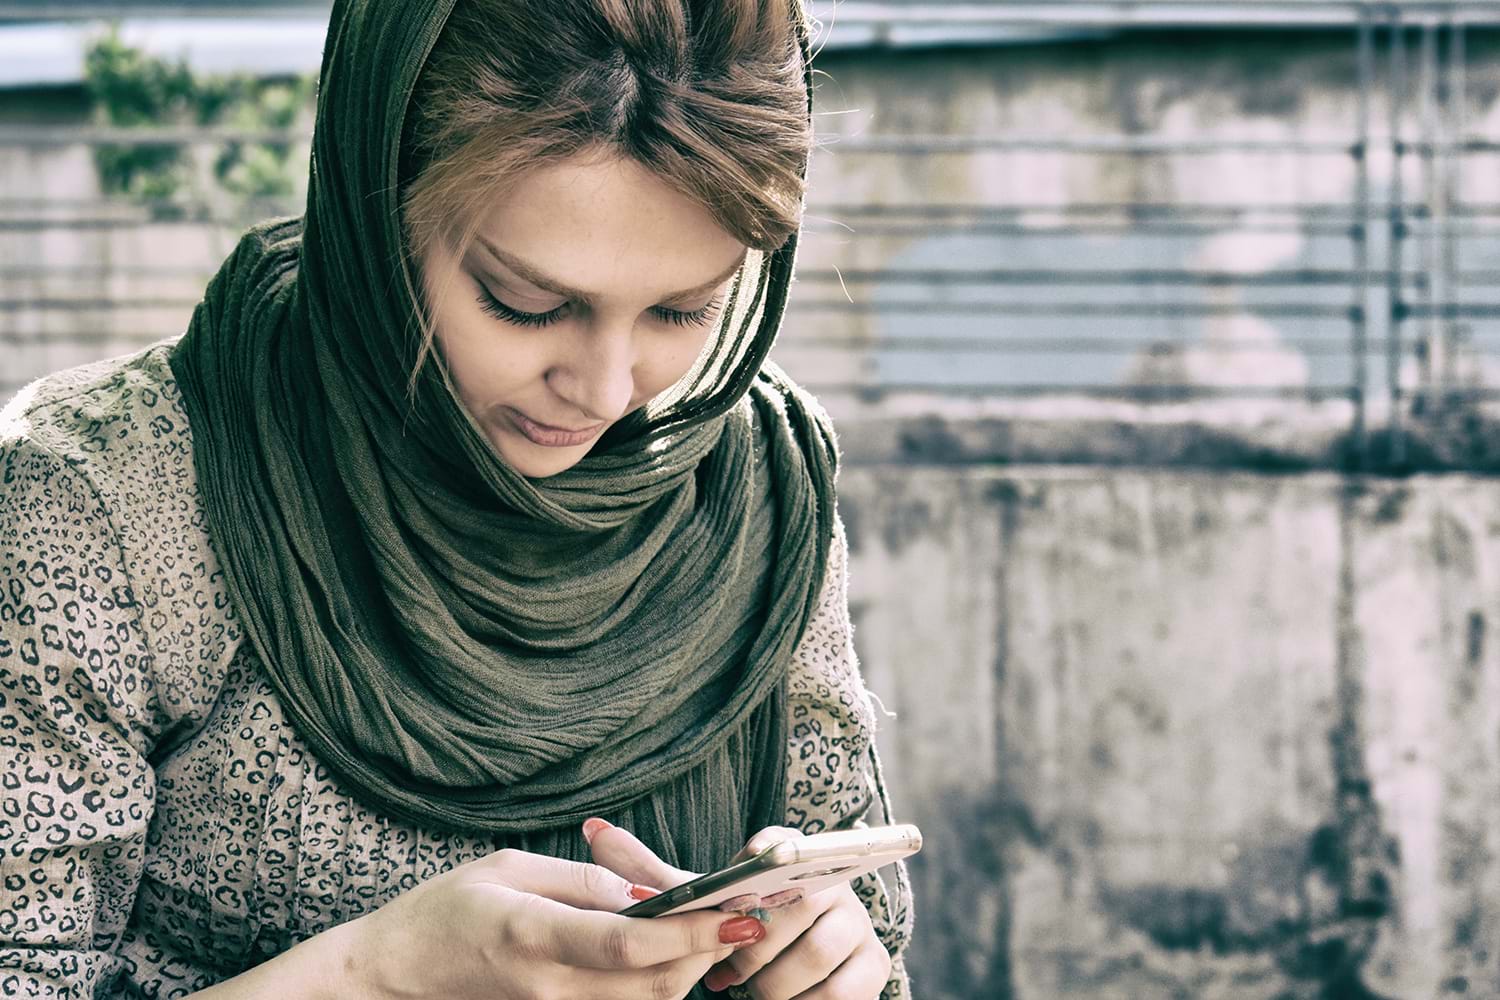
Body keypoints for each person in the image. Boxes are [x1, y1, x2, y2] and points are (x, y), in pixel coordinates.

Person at [0, 1, 914, 997]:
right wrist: (375, 972)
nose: (607, 389)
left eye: (682, 308)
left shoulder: (757, 495)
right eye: (526, 304)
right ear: (375, 200)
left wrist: (829, 965)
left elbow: (870, 940)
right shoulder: (106, 500)